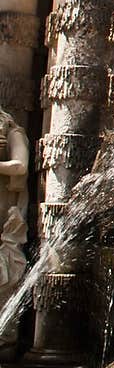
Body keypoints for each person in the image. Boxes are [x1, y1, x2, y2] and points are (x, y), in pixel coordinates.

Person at [0, 108, 29, 351]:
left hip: (5, 208)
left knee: (6, 268)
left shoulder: (12, 130)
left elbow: (20, 166)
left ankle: (5, 336)